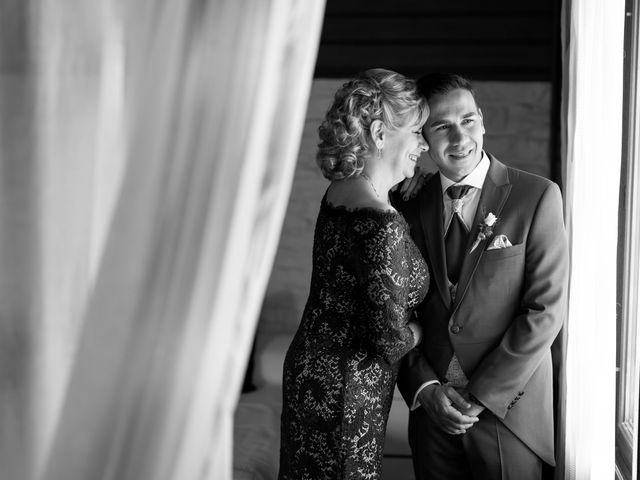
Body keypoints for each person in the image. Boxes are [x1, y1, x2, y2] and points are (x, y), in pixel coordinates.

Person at [394, 73, 569, 479]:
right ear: (422, 136)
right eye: (441, 126)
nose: (459, 138)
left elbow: (545, 310)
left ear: (483, 120)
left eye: (468, 120)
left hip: (509, 412)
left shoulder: (537, 196)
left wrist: (483, 395)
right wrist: (424, 387)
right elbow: (393, 313)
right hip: (433, 414)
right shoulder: (404, 204)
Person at [278, 68, 431, 480]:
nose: (423, 144)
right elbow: (389, 338)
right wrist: (421, 329)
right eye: (416, 132)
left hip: (311, 370)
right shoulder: (380, 220)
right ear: (380, 133)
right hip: (348, 388)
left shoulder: (341, 192)